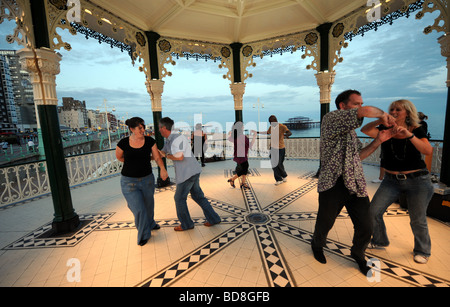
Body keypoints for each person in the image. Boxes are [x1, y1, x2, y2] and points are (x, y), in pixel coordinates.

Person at [311, 89, 396, 275]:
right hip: (332, 183)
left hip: (355, 182)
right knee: (325, 222)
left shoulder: (350, 133)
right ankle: (317, 244)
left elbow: (359, 156)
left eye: (361, 103)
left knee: (366, 225)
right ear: (343, 106)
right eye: (356, 103)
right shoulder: (330, 119)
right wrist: (383, 116)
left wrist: (378, 141)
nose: (361, 106)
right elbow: (365, 112)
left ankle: (358, 253)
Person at [361, 99, 434, 264]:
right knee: (373, 211)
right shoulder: (384, 129)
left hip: (418, 181)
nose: (394, 112)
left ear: (407, 112)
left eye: (398, 110)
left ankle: (423, 250)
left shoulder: (416, 129)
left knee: (417, 219)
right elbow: (365, 129)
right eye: (391, 109)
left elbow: (428, 150)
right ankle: (380, 241)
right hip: (391, 180)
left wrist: (410, 136)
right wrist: (381, 119)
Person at [158, 117, 221, 231]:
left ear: (163, 128)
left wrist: (166, 156)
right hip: (193, 171)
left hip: (187, 174)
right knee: (198, 196)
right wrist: (155, 153)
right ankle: (214, 218)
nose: (158, 130)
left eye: (159, 128)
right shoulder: (169, 140)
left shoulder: (177, 138)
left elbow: (179, 156)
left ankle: (186, 224)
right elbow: (162, 151)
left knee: (179, 198)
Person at [116, 117, 168, 246]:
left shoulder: (150, 141)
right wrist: (133, 163)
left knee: (149, 206)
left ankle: (150, 223)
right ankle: (144, 234)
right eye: (140, 128)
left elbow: (156, 157)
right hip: (128, 182)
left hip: (147, 180)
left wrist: (162, 169)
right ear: (132, 129)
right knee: (139, 209)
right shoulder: (123, 143)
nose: (143, 130)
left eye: (143, 127)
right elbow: (120, 157)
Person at [256, 115, 292, 185]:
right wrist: (257, 132)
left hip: (280, 148)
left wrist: (285, 135)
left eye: (271, 122)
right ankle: (278, 179)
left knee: (279, 163)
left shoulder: (282, 126)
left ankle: (284, 175)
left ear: (275, 121)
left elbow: (290, 133)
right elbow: (267, 132)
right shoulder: (271, 127)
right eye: (270, 122)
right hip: (272, 148)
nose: (271, 124)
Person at [227, 121, 256, 189]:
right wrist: (254, 136)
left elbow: (229, 139)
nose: (243, 127)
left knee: (244, 168)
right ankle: (232, 179)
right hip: (242, 155)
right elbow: (250, 145)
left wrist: (230, 134)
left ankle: (243, 183)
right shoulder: (243, 137)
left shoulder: (235, 136)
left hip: (238, 155)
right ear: (240, 128)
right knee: (244, 169)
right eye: (243, 126)